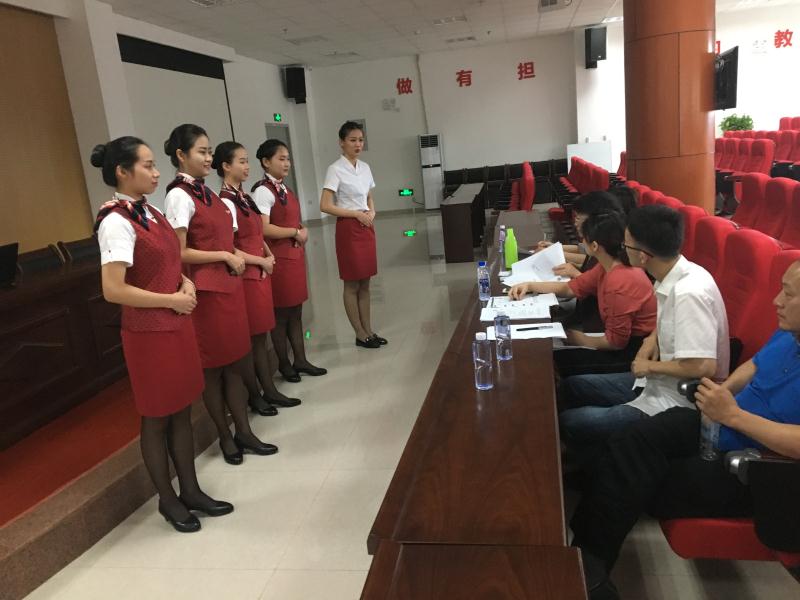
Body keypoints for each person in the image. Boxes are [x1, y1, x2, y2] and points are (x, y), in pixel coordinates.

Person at [571, 260, 800, 600]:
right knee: (632, 441)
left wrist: (734, 416)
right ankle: (585, 559)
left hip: (757, 468)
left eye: (789, 294)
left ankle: (587, 571)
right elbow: (755, 365)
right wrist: (721, 395)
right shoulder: (789, 332)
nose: (776, 301)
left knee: (639, 480)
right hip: (720, 423)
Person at [94, 136, 232, 532]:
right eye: (148, 165)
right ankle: (168, 500)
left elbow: (170, 261)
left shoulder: (151, 212)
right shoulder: (116, 221)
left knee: (182, 409)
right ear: (122, 172)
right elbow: (113, 290)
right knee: (157, 416)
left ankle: (191, 489)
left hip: (176, 324)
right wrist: (170, 299)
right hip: (149, 333)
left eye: (156, 165)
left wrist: (184, 284)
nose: (157, 173)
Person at [558, 205, 729, 451]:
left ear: (643, 255)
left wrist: (648, 366)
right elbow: (670, 321)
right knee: (574, 386)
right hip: (655, 383)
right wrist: (651, 340)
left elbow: (703, 366)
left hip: (676, 402)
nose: (622, 250)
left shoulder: (689, 293)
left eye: (626, 245)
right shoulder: (676, 274)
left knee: (571, 421)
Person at [164, 123, 277, 465]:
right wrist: (225, 256)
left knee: (235, 363)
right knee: (214, 369)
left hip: (229, 288)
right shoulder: (178, 196)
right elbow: (179, 252)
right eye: (202, 152)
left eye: (210, 152)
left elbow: (229, 241)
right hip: (208, 292)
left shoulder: (209, 193)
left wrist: (234, 256)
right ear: (181, 155)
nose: (208, 158)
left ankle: (244, 431)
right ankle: (225, 436)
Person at [509, 211, 656, 376]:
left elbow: (616, 343)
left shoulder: (619, 281)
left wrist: (581, 339)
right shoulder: (607, 265)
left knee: (550, 363)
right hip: (619, 340)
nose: (581, 242)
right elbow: (570, 288)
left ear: (594, 246)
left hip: (632, 353)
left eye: (583, 239)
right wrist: (530, 285)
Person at [212, 141, 301, 411]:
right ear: (226, 166)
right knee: (254, 339)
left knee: (261, 336)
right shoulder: (225, 201)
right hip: (247, 273)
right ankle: (260, 393)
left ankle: (267, 388)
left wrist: (268, 255)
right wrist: (261, 260)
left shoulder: (244, 196)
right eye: (241, 161)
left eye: (247, 161)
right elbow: (229, 245)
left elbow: (257, 233)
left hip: (260, 270)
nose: (247, 166)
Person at [251, 139, 326, 383]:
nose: (286, 163)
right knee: (281, 316)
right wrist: (295, 232)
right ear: (266, 162)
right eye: (281, 159)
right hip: (280, 260)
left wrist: (301, 228)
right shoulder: (263, 191)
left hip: (294, 258)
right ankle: (284, 364)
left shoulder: (285, 188)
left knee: (296, 311)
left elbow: (290, 219)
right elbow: (264, 228)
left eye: (288, 159)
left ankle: (300, 359)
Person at [320, 121, 386, 349]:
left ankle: (369, 330)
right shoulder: (335, 169)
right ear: (341, 143)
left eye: (360, 140)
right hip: (348, 227)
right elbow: (325, 205)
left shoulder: (365, 167)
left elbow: (368, 196)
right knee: (351, 283)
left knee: (366, 282)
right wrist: (356, 214)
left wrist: (372, 211)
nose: (358, 144)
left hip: (366, 225)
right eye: (352, 140)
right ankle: (359, 333)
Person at [535, 191, 628, 280]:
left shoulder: (608, 250)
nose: (575, 223)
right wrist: (555, 248)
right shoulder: (600, 240)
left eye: (578, 218)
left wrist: (555, 253)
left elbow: (596, 283)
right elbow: (584, 255)